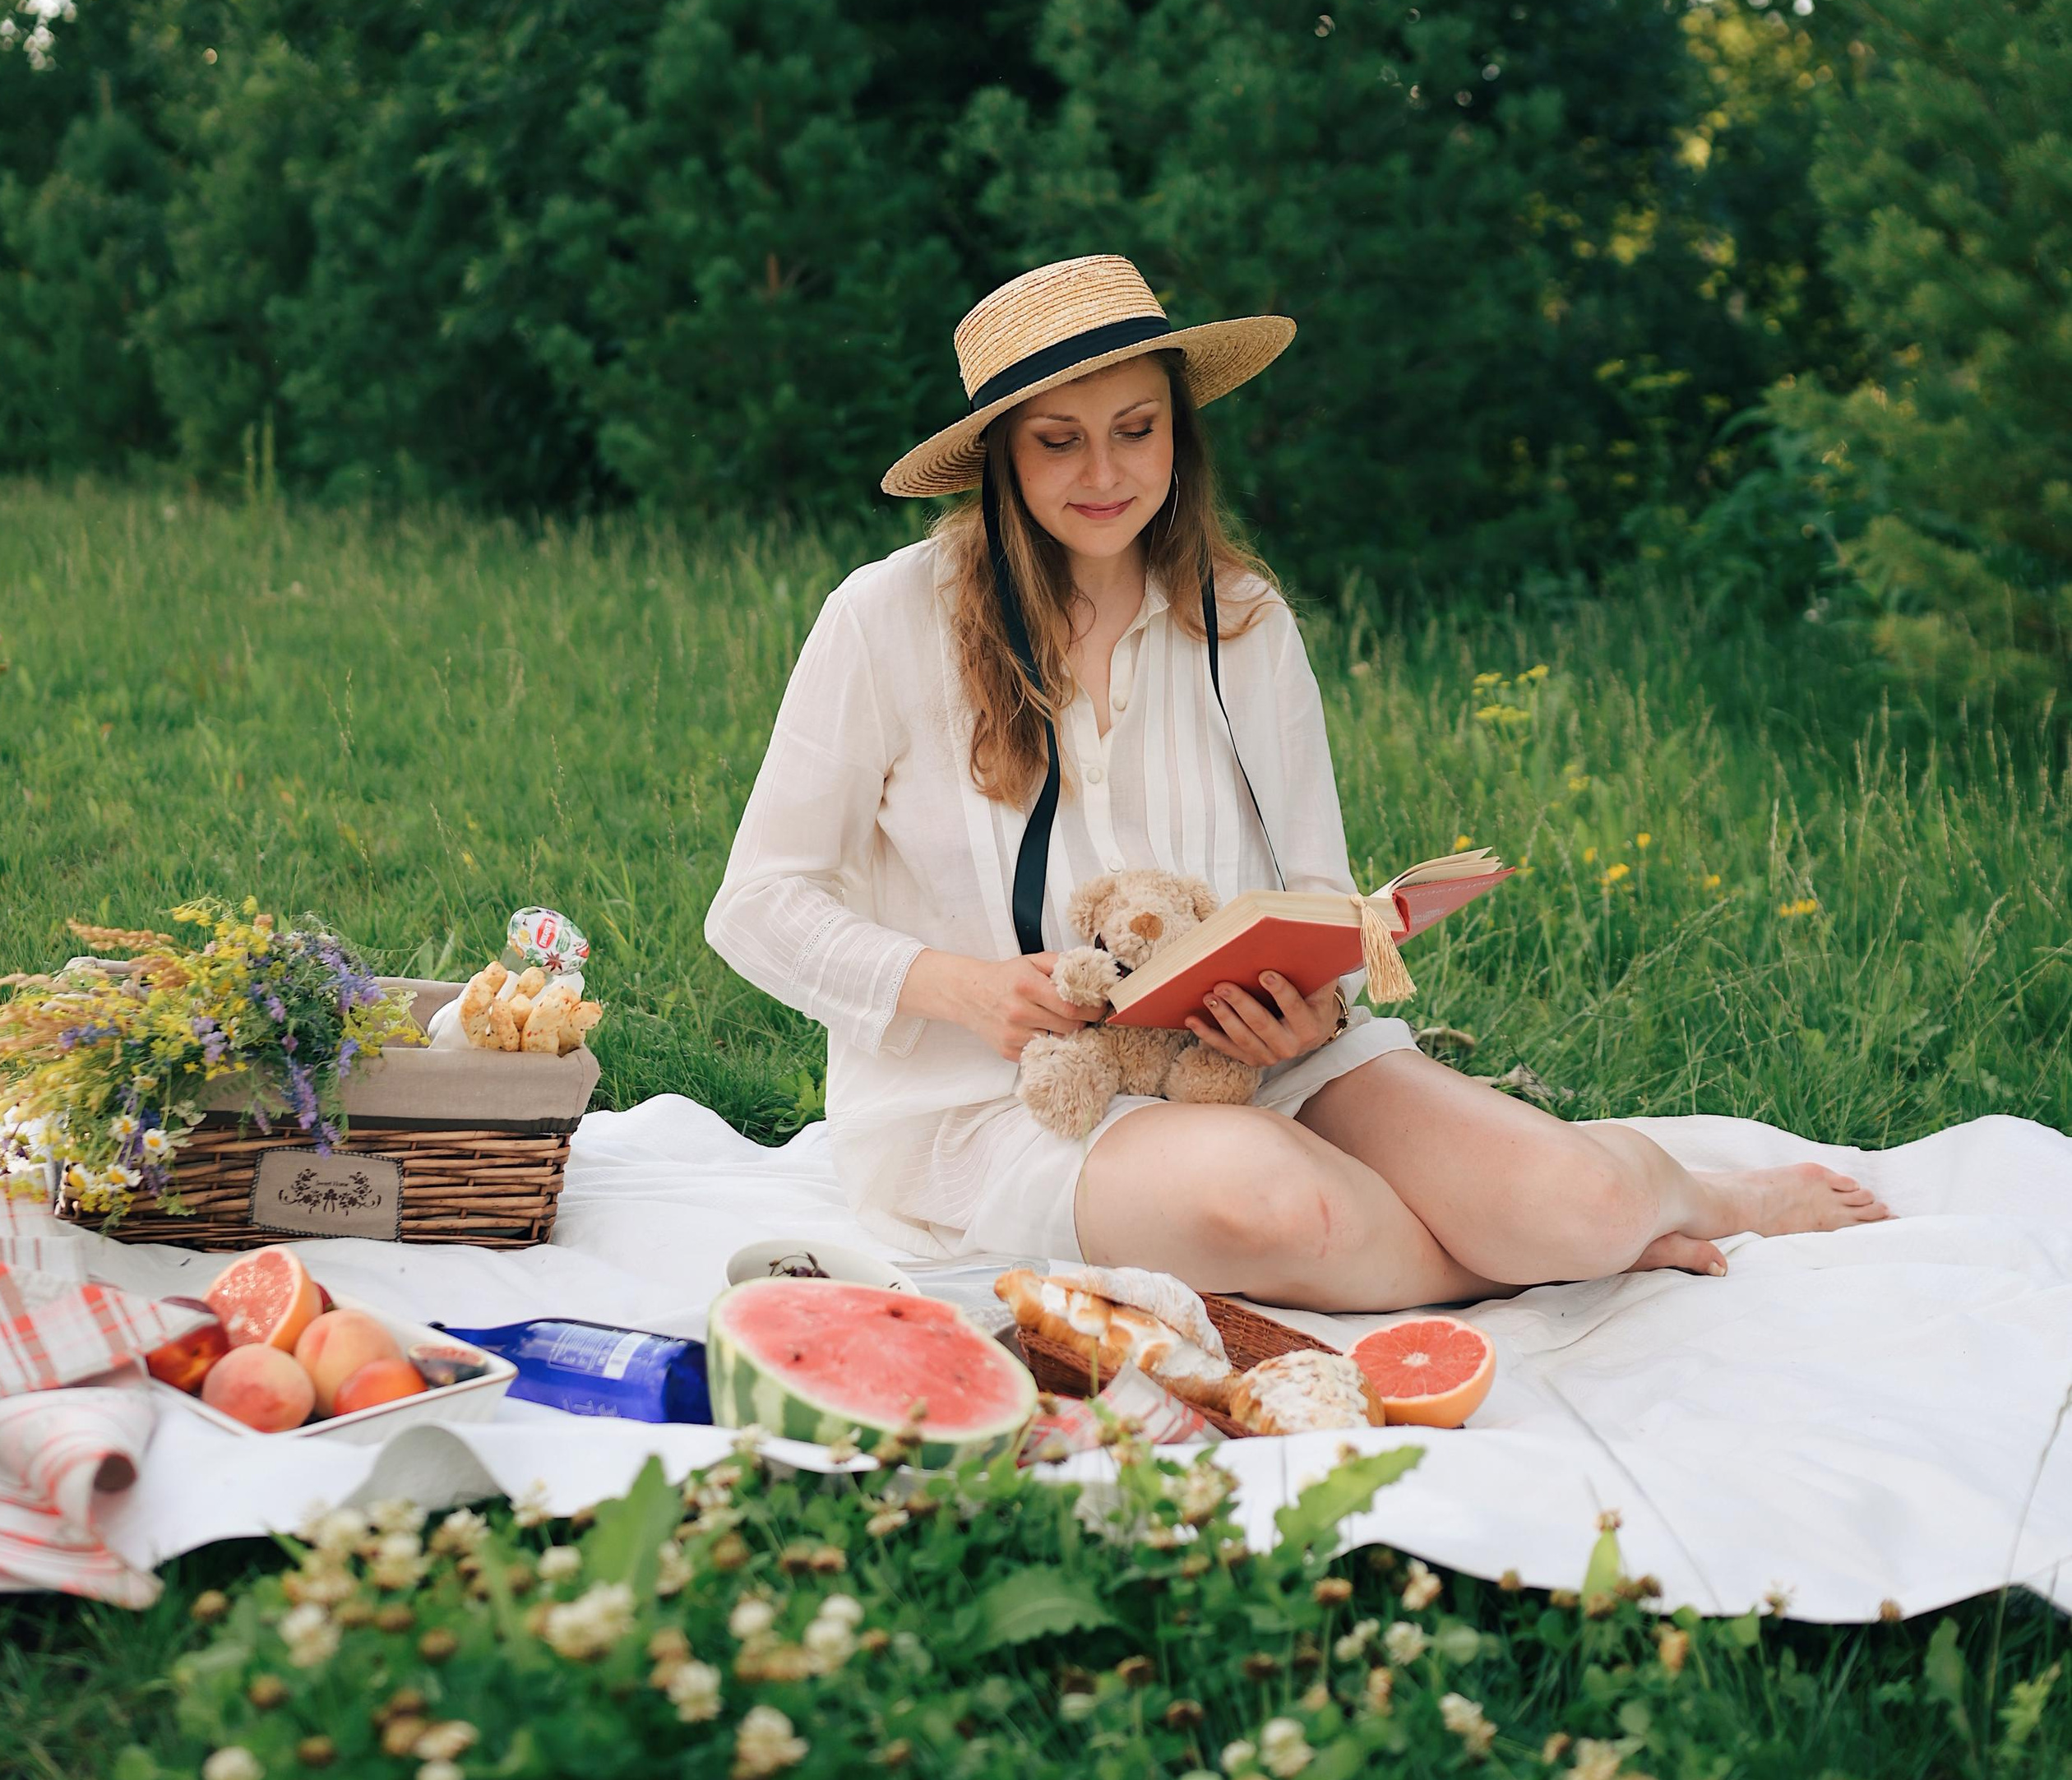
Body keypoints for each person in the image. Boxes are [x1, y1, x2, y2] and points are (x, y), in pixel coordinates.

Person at [705, 254, 1889, 1303]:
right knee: (1281, 1206)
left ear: (1180, 432)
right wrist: (962, 988)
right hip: (1001, 1108)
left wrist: (1312, 1005)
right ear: (1002, 460)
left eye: (1136, 428)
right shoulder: (885, 618)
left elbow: (1314, 876)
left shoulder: (1246, 621)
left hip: (1252, 1056)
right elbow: (756, 905)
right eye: (1058, 439)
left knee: (1570, 1200)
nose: (1105, 470)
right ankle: (1563, 1256)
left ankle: (1675, 1201)